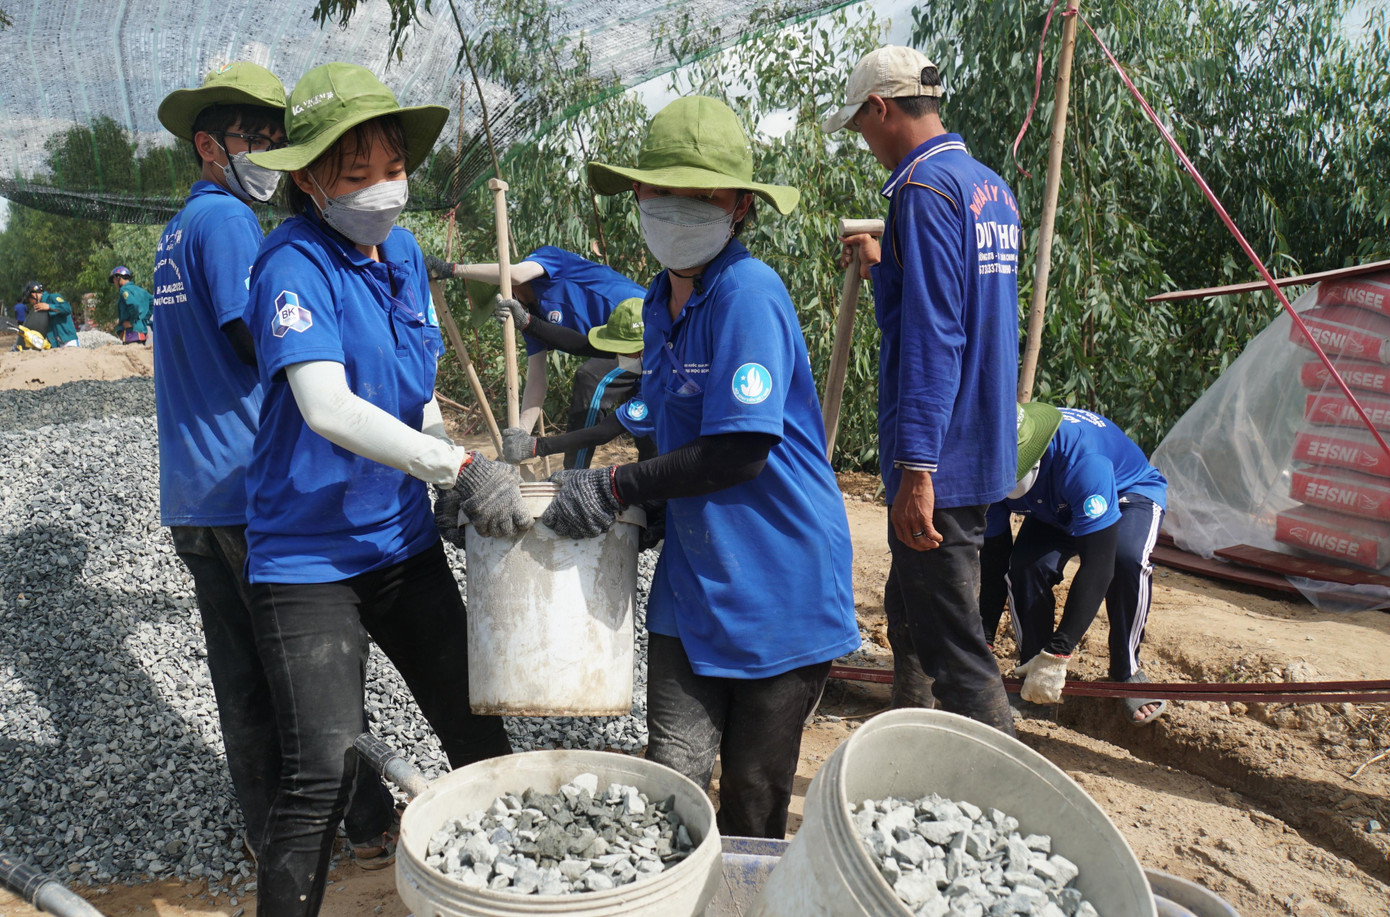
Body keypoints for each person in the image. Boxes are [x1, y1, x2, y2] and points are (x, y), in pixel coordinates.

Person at [241, 62, 527, 917]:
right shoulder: (290, 265)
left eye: (391, 168)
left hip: (398, 543)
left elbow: (417, 396)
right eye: (355, 173)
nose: (381, 189)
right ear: (307, 178)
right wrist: (460, 469)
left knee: (479, 732)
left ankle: (514, 895)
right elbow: (326, 406)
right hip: (306, 560)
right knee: (321, 768)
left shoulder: (401, 252)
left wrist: (443, 464)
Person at [544, 96, 859, 839]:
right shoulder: (658, 302)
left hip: (779, 587)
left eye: (702, 196)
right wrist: (623, 515)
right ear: (639, 197)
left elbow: (739, 451)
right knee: (673, 776)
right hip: (693, 586)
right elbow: (664, 435)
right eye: (661, 192)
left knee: (752, 799)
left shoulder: (749, 295)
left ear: (741, 206)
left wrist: (614, 484)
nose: (676, 210)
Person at [153, 62, 399, 870]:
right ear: (207, 145)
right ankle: (362, 822)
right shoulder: (226, 221)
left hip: (191, 490)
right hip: (240, 485)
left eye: (273, 138)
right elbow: (249, 340)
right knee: (305, 675)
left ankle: (270, 832)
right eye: (252, 138)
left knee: (244, 679)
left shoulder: (178, 227)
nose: (266, 151)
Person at [827, 46, 1020, 734]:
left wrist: (918, 469)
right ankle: (912, 737)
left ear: (881, 108)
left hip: (945, 453)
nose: (866, 142)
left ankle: (1003, 788)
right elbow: (956, 305)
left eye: (861, 127)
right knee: (913, 610)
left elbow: (936, 335)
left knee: (953, 644)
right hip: (983, 439)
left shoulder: (921, 190)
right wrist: (889, 267)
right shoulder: (986, 186)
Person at [980, 403, 1169, 725]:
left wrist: (1059, 652)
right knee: (1024, 568)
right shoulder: (986, 463)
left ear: (1033, 462)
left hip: (1127, 492)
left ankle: (1127, 671)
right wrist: (981, 638)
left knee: (1126, 560)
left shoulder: (1083, 462)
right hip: (1055, 505)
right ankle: (1032, 669)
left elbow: (1099, 566)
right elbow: (995, 559)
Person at [428, 249, 653, 468]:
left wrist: (453, 269)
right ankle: (650, 492)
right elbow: (539, 380)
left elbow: (515, 274)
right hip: (616, 349)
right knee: (649, 423)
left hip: (641, 332)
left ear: (507, 288)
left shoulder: (551, 260)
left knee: (591, 380)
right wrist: (521, 436)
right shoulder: (529, 317)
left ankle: (574, 475)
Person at [498, 295, 649, 465]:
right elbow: (580, 344)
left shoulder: (658, 387)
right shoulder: (649, 353)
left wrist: (536, 446)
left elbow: (604, 432)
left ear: (642, 348)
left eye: (623, 351)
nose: (617, 357)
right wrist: (528, 323)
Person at [21, 282, 78, 348]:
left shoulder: (53, 297)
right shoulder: (41, 307)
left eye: (30, 300)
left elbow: (67, 308)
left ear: (33, 295)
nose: (31, 303)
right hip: (56, 344)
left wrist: (49, 307)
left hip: (68, 340)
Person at [110, 266, 152, 344]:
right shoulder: (141, 290)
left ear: (118, 277)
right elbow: (153, 302)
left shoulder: (124, 290)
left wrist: (132, 322)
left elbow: (134, 305)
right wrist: (143, 319)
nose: (114, 284)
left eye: (114, 281)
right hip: (141, 332)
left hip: (131, 333)